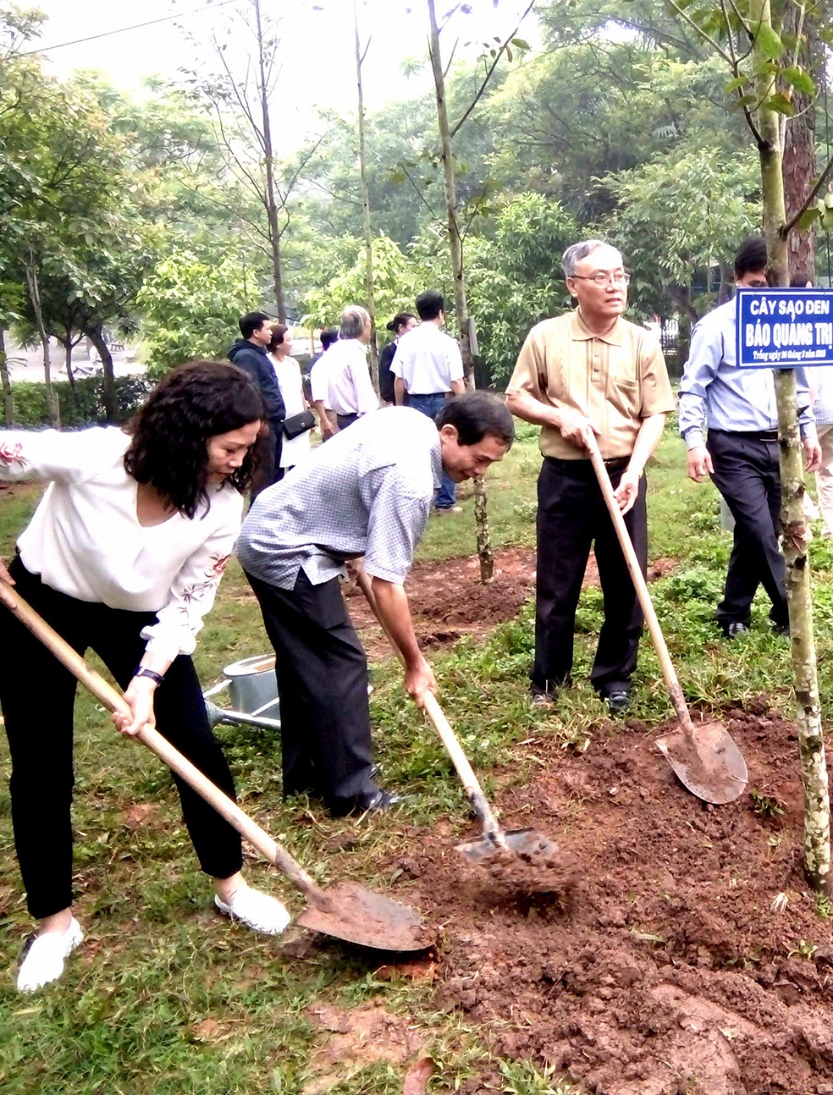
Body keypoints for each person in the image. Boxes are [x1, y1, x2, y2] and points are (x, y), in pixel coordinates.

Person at [0, 362, 292, 993]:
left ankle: (230, 884)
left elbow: (189, 601)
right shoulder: (98, 456)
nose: (237, 461)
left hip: (141, 619)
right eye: (230, 447)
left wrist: (149, 677)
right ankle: (55, 925)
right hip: (40, 599)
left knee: (196, 745)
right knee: (40, 762)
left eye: (248, 448)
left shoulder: (221, 505)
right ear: (186, 434)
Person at [236, 393, 513, 815]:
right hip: (286, 546)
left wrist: (357, 552)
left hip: (271, 528)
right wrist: (415, 663)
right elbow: (387, 585)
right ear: (450, 433)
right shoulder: (412, 481)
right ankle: (351, 794)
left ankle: (307, 775)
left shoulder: (408, 420)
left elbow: (359, 506)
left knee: (304, 664)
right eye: (479, 459)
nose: (479, 472)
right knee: (339, 664)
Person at [506, 241, 675, 712]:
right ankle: (548, 679)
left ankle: (614, 676)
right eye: (600, 277)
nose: (614, 285)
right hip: (566, 477)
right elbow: (517, 398)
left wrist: (635, 472)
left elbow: (656, 414)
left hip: (623, 475)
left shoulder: (641, 341)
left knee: (627, 579)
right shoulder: (546, 337)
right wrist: (559, 418)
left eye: (620, 275)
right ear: (572, 286)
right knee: (558, 583)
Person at [679, 235, 822, 638]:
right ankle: (793, 613)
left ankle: (732, 612)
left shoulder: (787, 322)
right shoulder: (715, 328)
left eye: (769, 287)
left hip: (781, 444)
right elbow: (694, 387)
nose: (762, 295)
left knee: (752, 530)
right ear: (738, 279)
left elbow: (798, 384)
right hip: (733, 446)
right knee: (763, 531)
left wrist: (808, 432)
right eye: (755, 286)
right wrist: (694, 440)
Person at [788, 271, 833, 543]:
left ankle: (808, 515)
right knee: (828, 469)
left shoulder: (800, 326)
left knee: (789, 467)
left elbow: (810, 377)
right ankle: (832, 533)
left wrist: (805, 416)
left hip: (821, 408)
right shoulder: (827, 323)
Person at [392, 290, 467, 513]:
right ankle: (444, 502)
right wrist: (464, 408)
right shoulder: (447, 342)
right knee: (446, 448)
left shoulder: (405, 342)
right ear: (441, 313)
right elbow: (456, 381)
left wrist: (399, 406)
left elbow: (399, 379)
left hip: (415, 401)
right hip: (441, 401)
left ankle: (420, 502)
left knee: (417, 452)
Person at [227, 311, 286, 490]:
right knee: (264, 476)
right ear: (256, 333)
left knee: (275, 473)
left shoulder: (259, 354)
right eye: (267, 329)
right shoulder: (246, 356)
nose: (270, 332)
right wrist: (259, 422)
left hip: (275, 420)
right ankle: (259, 515)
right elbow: (250, 391)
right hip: (264, 424)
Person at [309, 305, 380, 437]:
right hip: (357, 420)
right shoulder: (354, 352)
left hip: (342, 417)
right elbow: (364, 394)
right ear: (362, 325)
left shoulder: (335, 350)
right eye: (369, 323)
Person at [268, 323, 311, 476]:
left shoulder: (293, 363)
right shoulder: (269, 363)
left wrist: (306, 413)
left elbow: (300, 391)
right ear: (278, 343)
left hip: (298, 419)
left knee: (300, 463)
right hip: (282, 420)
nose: (291, 343)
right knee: (281, 462)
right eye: (288, 340)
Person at [379, 312, 417, 406]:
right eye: (413, 326)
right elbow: (386, 378)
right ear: (401, 328)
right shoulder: (389, 350)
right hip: (398, 401)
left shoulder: (417, 348)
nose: (416, 330)